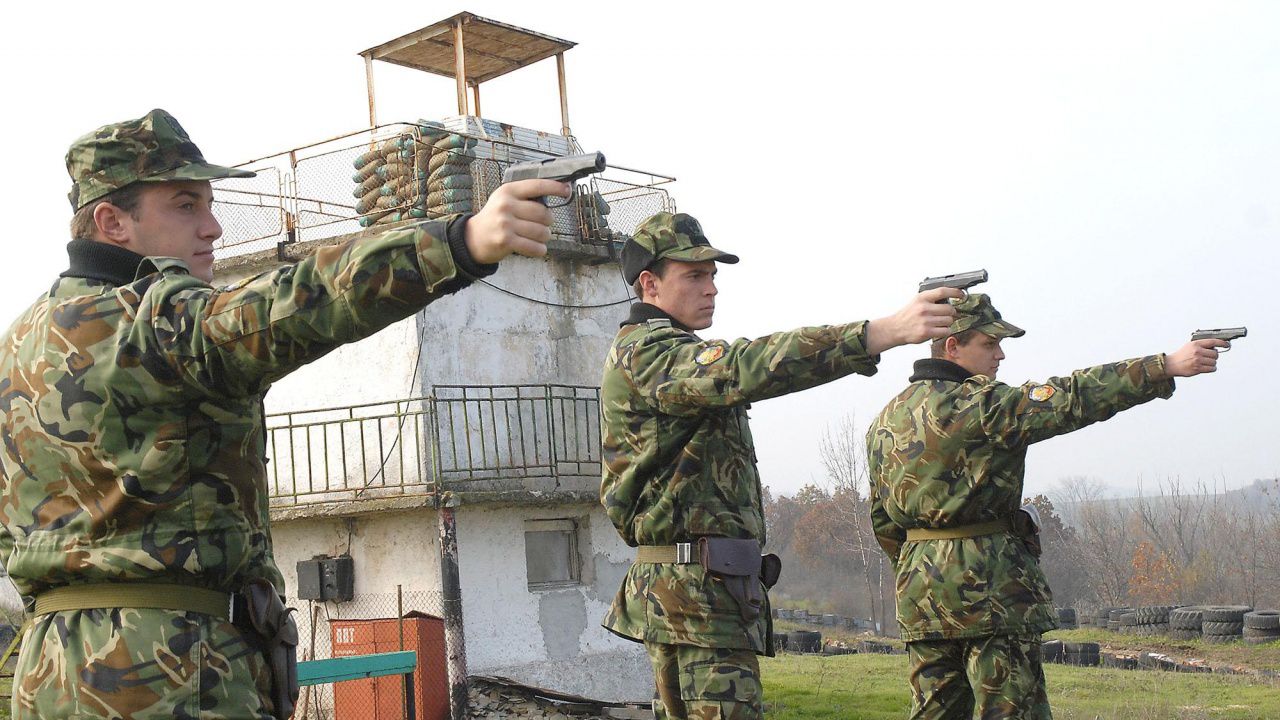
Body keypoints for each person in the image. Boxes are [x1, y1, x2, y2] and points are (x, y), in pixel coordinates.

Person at [0, 108, 568, 720]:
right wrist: (459, 243)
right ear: (113, 221)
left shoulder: (19, 345)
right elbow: (294, 302)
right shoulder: (156, 319)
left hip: (47, 670)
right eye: (185, 205)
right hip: (166, 670)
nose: (213, 228)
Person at [598, 211, 964, 720]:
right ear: (649, 284)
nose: (712, 289)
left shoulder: (664, 351)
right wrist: (879, 333)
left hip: (696, 594)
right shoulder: (649, 352)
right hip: (693, 599)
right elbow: (751, 364)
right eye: (695, 275)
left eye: (713, 276)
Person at [865, 292, 1226, 719]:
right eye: (989, 344)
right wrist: (1164, 366)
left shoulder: (885, 420)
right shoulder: (985, 405)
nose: (1000, 355)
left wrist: (923, 569)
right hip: (992, 594)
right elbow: (1074, 397)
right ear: (952, 346)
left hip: (921, 595)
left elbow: (883, 521)